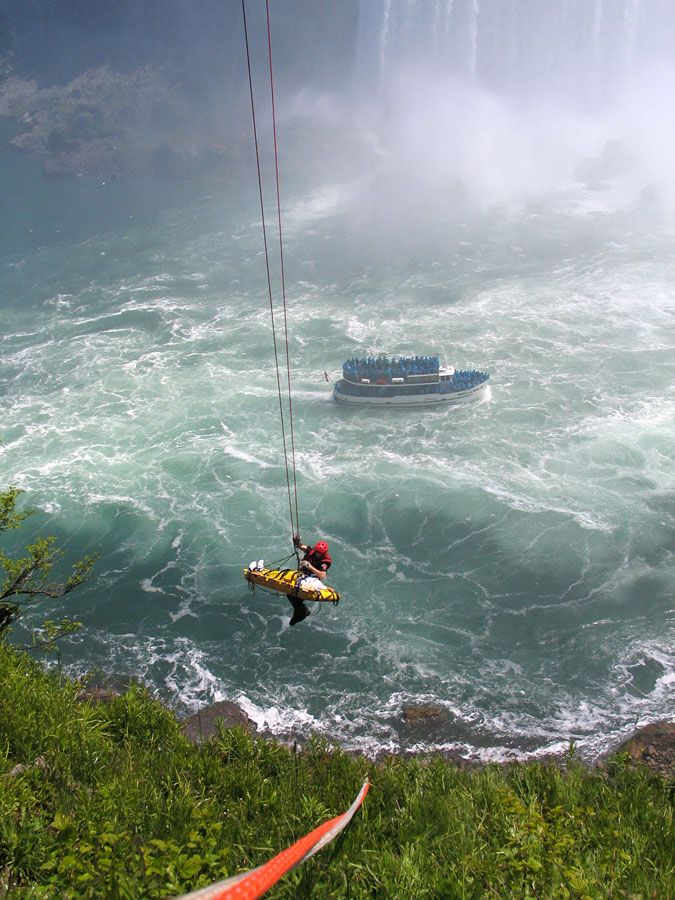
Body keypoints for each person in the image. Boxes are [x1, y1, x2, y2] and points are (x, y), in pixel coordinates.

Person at [288, 533, 332, 626]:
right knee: (290, 594)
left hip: (312, 579)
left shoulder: (325, 561)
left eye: (320, 554)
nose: (317, 555)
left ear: (323, 554)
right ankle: (302, 612)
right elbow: (300, 546)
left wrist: (310, 567)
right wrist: (296, 541)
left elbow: (323, 575)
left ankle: (301, 614)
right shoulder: (312, 551)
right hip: (302, 575)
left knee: (296, 596)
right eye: (317, 552)